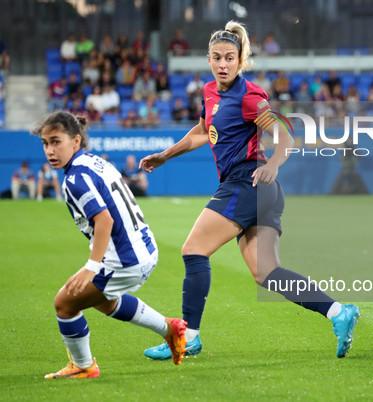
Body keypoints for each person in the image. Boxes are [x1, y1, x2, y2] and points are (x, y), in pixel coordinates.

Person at [139, 20, 360, 362]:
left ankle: (188, 337)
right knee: (267, 273)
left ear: (240, 60)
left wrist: (273, 163)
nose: (223, 64)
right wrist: (166, 155)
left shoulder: (249, 95)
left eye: (230, 57)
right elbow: (202, 131)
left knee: (193, 249)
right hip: (258, 191)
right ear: (209, 60)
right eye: (217, 57)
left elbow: (285, 134)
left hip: (249, 182)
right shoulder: (210, 93)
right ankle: (338, 313)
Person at [30, 111, 186, 378]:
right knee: (104, 301)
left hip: (125, 260)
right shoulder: (94, 162)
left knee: (64, 304)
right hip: (145, 248)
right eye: (45, 143)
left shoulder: (74, 179)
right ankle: (170, 329)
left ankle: (83, 365)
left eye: (56, 142)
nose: (50, 150)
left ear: (76, 141)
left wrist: (92, 266)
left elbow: (105, 220)